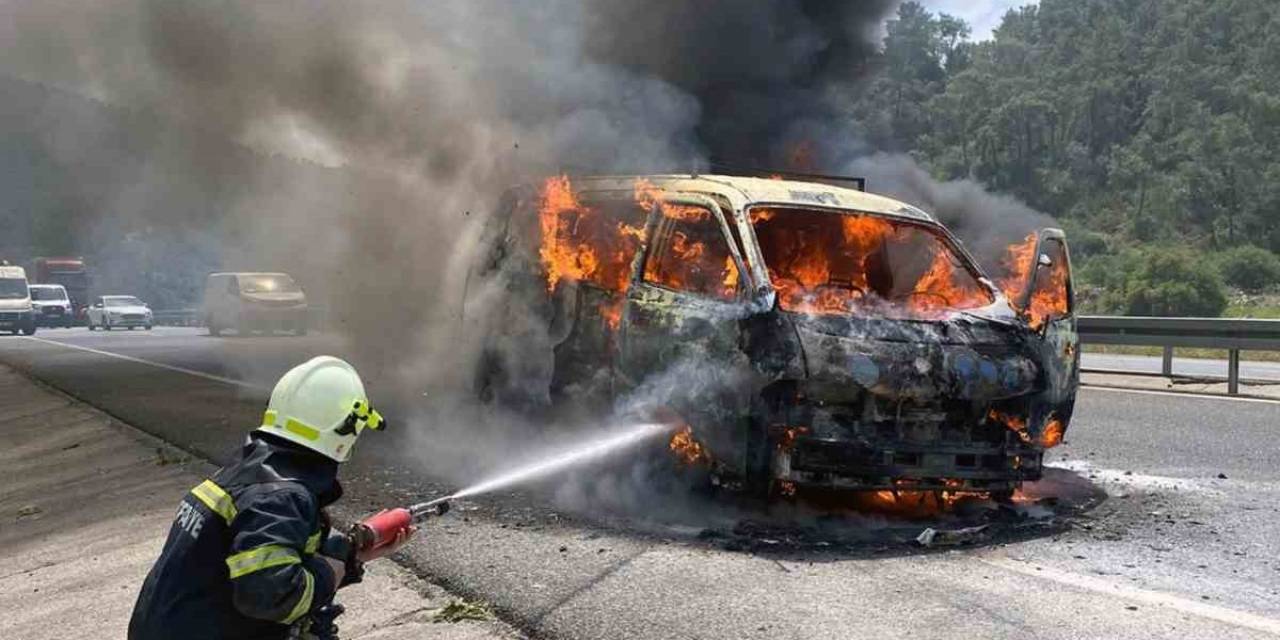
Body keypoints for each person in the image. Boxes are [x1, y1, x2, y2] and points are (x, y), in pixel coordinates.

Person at [129, 356, 414, 640]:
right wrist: (330, 570)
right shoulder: (281, 497)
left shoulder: (243, 471)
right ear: (347, 427)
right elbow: (272, 595)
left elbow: (258, 550)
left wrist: (352, 556)